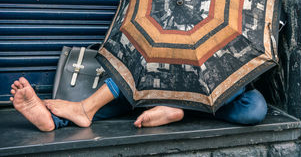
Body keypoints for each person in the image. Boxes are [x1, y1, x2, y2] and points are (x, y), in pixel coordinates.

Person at [10, 76, 268, 132]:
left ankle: (178, 111)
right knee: (129, 76)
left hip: (207, 93)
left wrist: (179, 109)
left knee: (253, 107)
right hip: (153, 90)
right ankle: (67, 115)